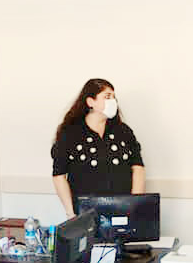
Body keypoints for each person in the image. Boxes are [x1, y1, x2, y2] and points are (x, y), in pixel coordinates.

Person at [51, 79, 145, 217]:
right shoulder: (70, 133)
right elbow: (59, 175)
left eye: (114, 97)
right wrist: (71, 213)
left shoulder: (123, 131)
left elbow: (138, 167)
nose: (113, 101)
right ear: (90, 102)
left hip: (122, 209)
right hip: (85, 211)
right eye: (107, 96)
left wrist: (133, 204)